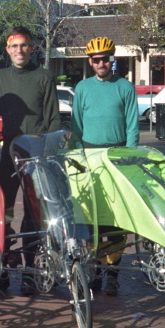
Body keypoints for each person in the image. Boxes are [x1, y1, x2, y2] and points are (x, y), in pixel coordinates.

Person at [0, 26, 61, 296]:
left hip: (37, 157)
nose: (19, 51)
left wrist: (53, 154)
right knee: (2, 213)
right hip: (8, 158)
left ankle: (29, 269)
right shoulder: (0, 78)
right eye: (14, 46)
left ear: (32, 47)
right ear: (7, 50)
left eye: (24, 45)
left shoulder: (44, 77)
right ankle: (2, 266)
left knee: (34, 215)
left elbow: (53, 121)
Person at [70, 36, 139, 296]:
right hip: (89, 156)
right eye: (96, 59)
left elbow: (133, 125)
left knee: (116, 219)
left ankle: (112, 273)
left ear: (113, 59)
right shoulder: (83, 87)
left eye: (105, 58)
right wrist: (75, 156)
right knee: (91, 218)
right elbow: (76, 126)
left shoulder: (125, 87)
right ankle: (94, 269)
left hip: (117, 154)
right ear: (90, 62)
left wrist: (129, 157)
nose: (101, 63)